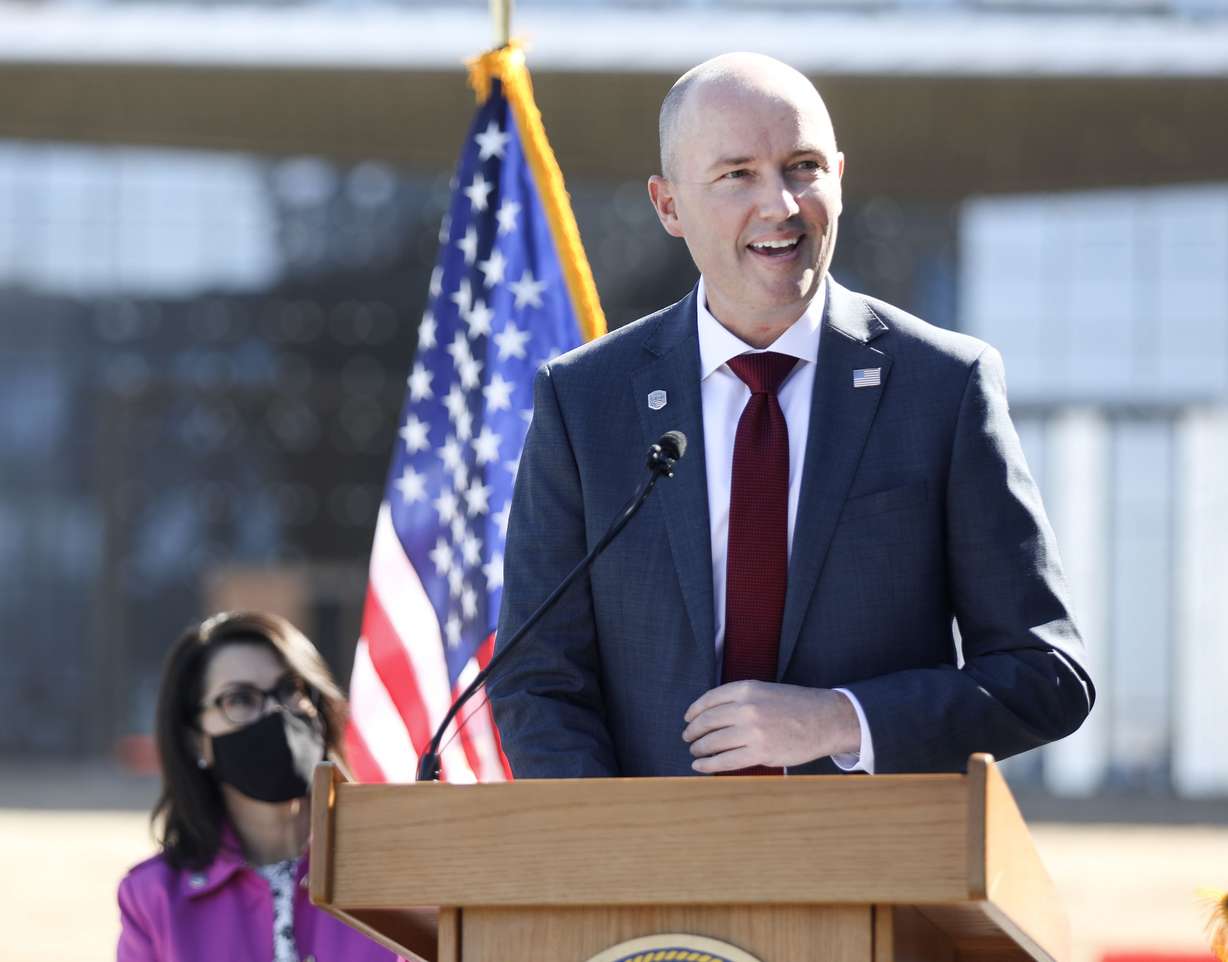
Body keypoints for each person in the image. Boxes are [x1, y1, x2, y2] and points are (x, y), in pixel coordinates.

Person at [488, 53, 1094, 778]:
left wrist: (842, 720)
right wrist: (621, 855)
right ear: (669, 205)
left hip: (870, 869)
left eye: (803, 166)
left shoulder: (944, 386)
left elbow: (1047, 673)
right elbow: (537, 679)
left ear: (839, 175)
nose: (780, 205)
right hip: (649, 873)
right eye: (737, 174)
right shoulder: (585, 400)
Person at [117, 611, 397, 962]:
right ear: (194, 740)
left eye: (291, 689)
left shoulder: (396, 871)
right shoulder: (155, 898)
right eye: (239, 699)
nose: (275, 712)